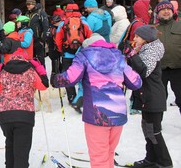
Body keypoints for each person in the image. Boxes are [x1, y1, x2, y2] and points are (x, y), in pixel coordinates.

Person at [52, 33, 142, 168]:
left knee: (99, 157)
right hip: (118, 114)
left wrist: (55, 79)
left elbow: (70, 78)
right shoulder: (118, 57)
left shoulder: (84, 56)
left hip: (97, 115)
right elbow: (136, 82)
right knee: (109, 153)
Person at [125, 25, 173, 168]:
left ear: (146, 39)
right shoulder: (143, 50)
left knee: (154, 131)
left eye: (137, 36)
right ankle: (151, 159)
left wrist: (133, 55)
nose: (134, 39)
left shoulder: (152, 51)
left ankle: (165, 163)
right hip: (146, 96)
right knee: (147, 129)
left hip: (153, 97)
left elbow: (144, 71)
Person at [0, 53, 47, 168]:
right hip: (24, 115)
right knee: (21, 150)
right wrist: (40, 68)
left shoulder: (4, 72)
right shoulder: (30, 71)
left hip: (5, 115)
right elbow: (44, 85)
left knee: (10, 144)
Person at [55, 3, 92, 104]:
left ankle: (72, 98)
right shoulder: (84, 22)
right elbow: (90, 37)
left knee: (68, 75)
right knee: (83, 75)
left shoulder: (63, 23)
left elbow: (58, 39)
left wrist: (61, 50)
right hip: (81, 54)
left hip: (67, 54)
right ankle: (83, 97)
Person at [156, 0, 181, 114]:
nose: (166, 12)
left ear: (173, 11)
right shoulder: (153, 28)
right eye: (163, 9)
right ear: (158, 12)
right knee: (158, 100)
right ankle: (156, 128)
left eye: (168, 9)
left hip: (178, 68)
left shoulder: (179, 25)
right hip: (158, 70)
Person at [24, 0, 49, 66]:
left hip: (38, 40)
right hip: (29, 40)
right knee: (31, 60)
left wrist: (42, 40)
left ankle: (42, 76)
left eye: (29, 4)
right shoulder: (27, 14)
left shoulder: (41, 13)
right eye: (27, 4)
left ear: (33, 4)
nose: (27, 6)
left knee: (40, 60)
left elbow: (46, 27)